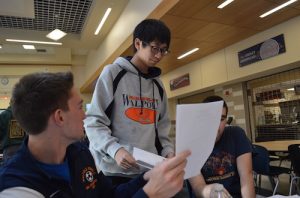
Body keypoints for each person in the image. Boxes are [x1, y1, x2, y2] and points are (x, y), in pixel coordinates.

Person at [0, 72, 190, 198]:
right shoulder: (16, 187)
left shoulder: (80, 153)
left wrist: (148, 177)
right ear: (59, 117)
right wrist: (149, 194)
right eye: (79, 107)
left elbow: (109, 195)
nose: (85, 115)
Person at [84, 19, 175, 185]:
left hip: (150, 171)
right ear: (138, 43)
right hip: (115, 171)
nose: (159, 55)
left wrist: (169, 152)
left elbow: (162, 130)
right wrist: (116, 150)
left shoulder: (158, 85)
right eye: (155, 48)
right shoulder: (113, 73)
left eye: (163, 50)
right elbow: (93, 122)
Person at [189, 96, 255, 198]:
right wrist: (210, 191)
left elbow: (246, 176)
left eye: (221, 119)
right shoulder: (190, 145)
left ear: (226, 121)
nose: (215, 125)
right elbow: (198, 187)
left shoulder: (237, 134)